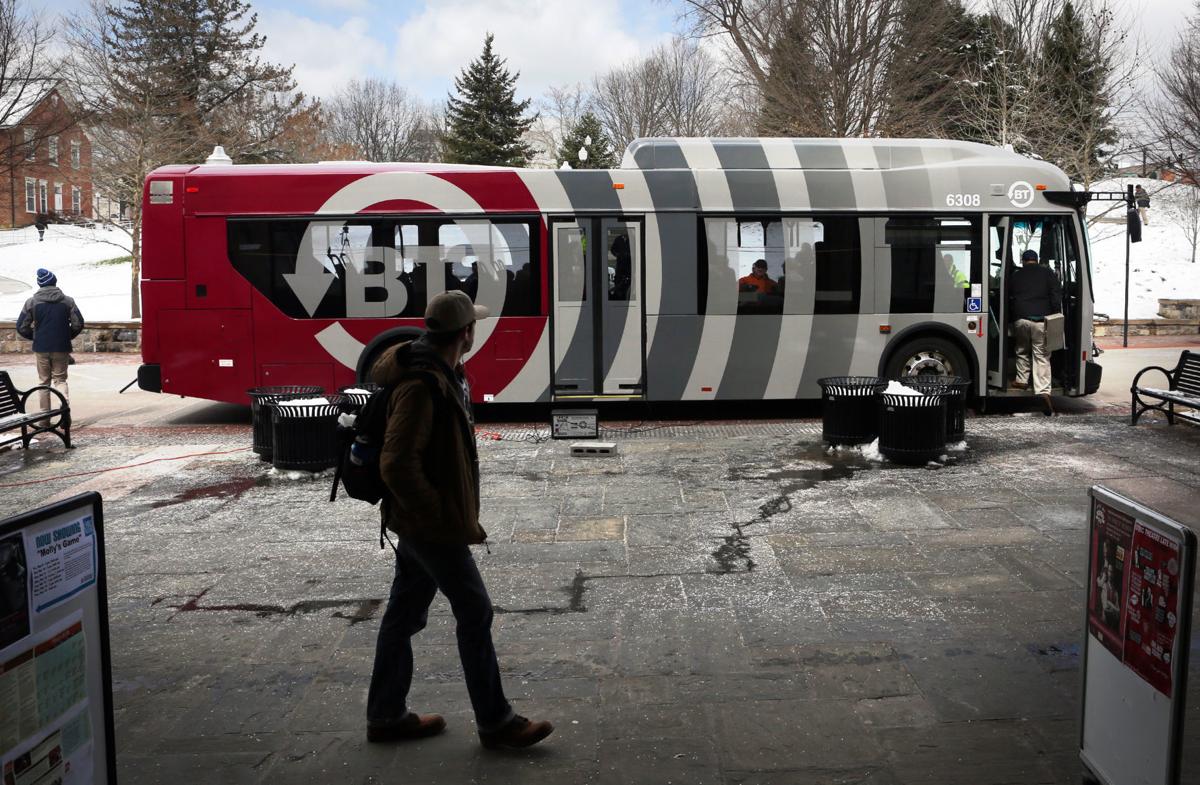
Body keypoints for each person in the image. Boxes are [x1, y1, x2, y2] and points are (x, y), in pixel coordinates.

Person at [366, 290, 553, 750]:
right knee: (474, 610)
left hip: (419, 522)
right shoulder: (422, 385)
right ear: (466, 333)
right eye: (474, 326)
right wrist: (436, 514)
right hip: (430, 526)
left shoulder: (444, 373)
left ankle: (386, 715)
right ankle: (496, 722)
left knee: (403, 615)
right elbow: (396, 464)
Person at [15, 269, 84, 412]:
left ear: (40, 284)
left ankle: (44, 418)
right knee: (60, 380)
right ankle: (64, 411)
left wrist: (36, 336)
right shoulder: (68, 301)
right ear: (55, 282)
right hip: (61, 347)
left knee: (43, 382)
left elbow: (21, 326)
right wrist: (66, 336)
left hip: (41, 347)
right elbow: (78, 323)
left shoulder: (32, 302)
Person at [1008, 249, 1062, 415]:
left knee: (1022, 350)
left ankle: (1022, 380)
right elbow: (1055, 296)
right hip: (1040, 320)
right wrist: (1055, 314)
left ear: (1023, 261)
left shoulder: (1016, 275)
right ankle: (1043, 391)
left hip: (1021, 319)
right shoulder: (1048, 273)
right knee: (1041, 355)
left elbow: (1009, 296)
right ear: (1037, 260)